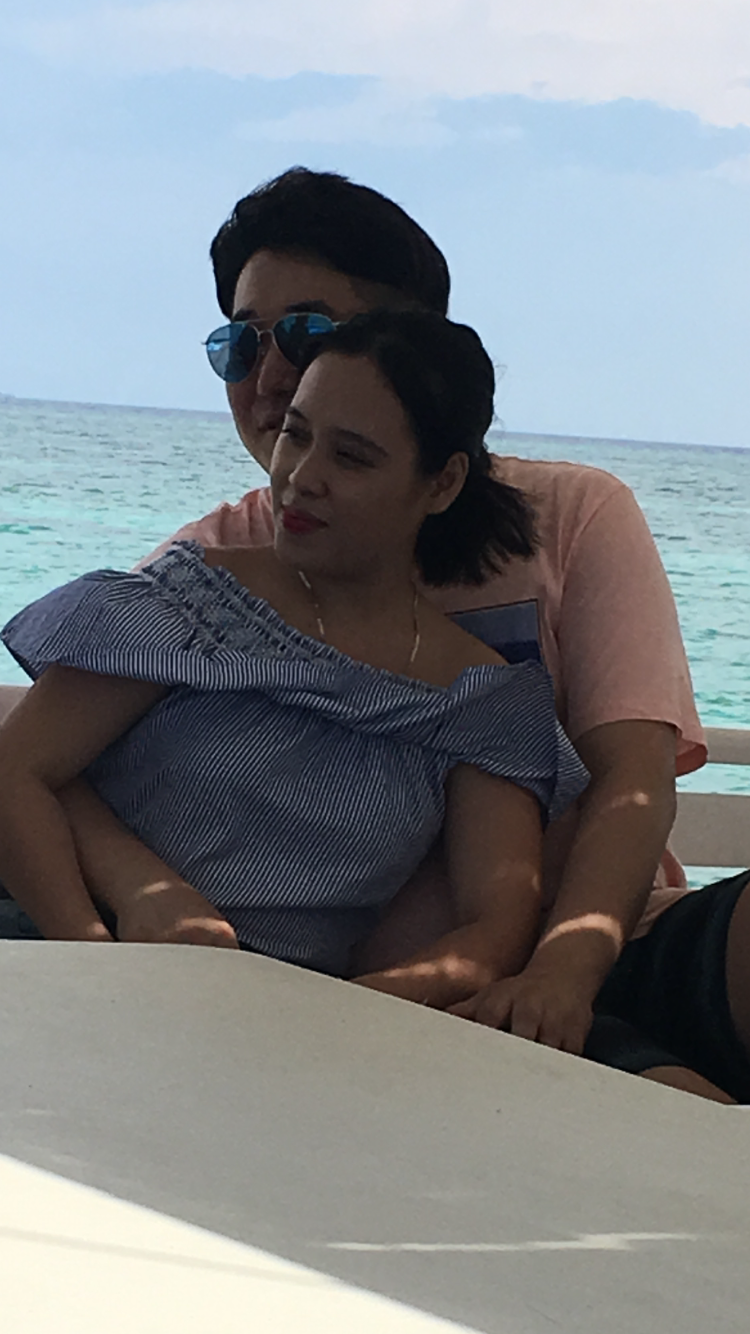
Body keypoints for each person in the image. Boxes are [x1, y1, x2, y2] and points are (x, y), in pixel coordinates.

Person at [2, 167, 748, 1101]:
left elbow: (629, 787)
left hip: (572, 951)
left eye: (307, 333)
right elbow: (38, 769)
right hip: (234, 991)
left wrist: (563, 968)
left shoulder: (557, 548)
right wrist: (129, 921)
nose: (270, 380)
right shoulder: (198, 578)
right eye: (241, 344)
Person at [0, 311, 588, 1003]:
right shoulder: (193, 601)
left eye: (351, 457)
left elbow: (494, 928)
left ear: (442, 483)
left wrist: (337, 1020)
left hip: (276, 1020)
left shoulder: (480, 704)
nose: (302, 478)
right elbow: (16, 770)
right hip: (56, 959)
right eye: (295, 435)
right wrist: (103, 950)